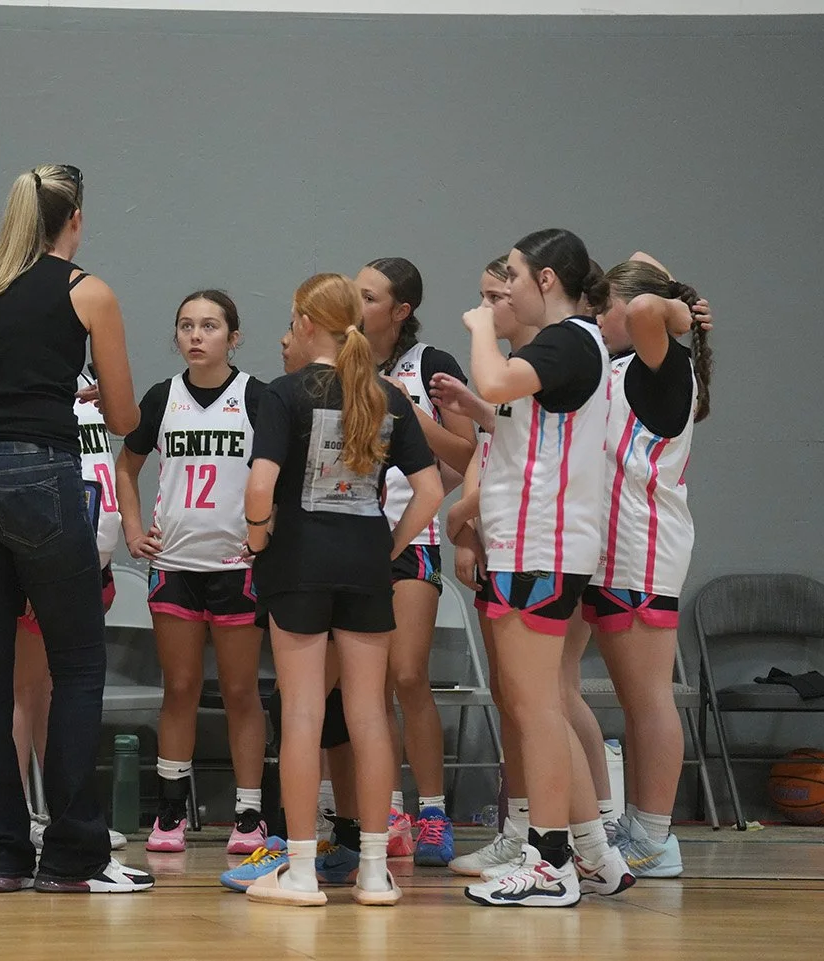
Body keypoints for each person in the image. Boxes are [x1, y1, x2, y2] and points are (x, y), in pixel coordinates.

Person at [0, 164, 152, 894]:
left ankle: (3, 856)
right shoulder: (88, 291)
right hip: (41, 473)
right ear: (73, 218)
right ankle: (73, 855)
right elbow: (122, 418)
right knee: (76, 666)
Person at [242, 273, 442, 908]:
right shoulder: (387, 395)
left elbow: (259, 486)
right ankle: (376, 872)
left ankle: (301, 873)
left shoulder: (280, 394)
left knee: (301, 714)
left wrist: (255, 540)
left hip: (297, 563)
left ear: (305, 321)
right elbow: (432, 491)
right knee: (370, 715)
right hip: (364, 566)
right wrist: (386, 548)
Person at [459, 229, 630, 908]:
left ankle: (549, 860)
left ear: (548, 280)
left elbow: (496, 376)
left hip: (543, 544)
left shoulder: (565, 340)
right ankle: (594, 852)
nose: (505, 293)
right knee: (544, 705)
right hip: (530, 541)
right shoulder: (565, 349)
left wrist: (479, 330)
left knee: (533, 708)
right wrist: (481, 411)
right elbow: (521, 419)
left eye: (515, 279)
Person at [114, 290, 268, 855]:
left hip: (237, 566)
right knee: (178, 688)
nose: (196, 335)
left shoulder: (258, 397)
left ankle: (248, 814)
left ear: (234, 335)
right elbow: (125, 468)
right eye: (186, 325)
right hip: (175, 563)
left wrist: (265, 533)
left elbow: (278, 473)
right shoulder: (162, 398)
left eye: (209, 325)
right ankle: (171, 811)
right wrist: (133, 531)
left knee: (238, 691)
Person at [588, 257, 713, 878]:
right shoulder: (619, 367)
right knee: (631, 703)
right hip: (605, 549)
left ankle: (656, 837)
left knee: (647, 700)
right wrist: (674, 291)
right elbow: (641, 270)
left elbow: (642, 302)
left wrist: (679, 310)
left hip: (643, 547)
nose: (595, 315)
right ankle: (629, 824)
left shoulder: (663, 365)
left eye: (601, 305)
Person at [355, 257, 476, 865]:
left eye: (370, 296)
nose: (357, 303)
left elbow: (466, 450)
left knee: (407, 674)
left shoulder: (429, 365)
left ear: (400, 311)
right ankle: (389, 811)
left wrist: (410, 410)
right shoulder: (343, 361)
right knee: (366, 685)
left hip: (413, 535)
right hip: (350, 538)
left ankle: (433, 811)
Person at [16, 368, 129, 853]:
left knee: (58, 692)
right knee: (23, 692)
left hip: (91, 557)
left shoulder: (89, 379)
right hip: (43, 558)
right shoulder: (25, 382)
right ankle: (18, 816)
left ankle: (66, 813)